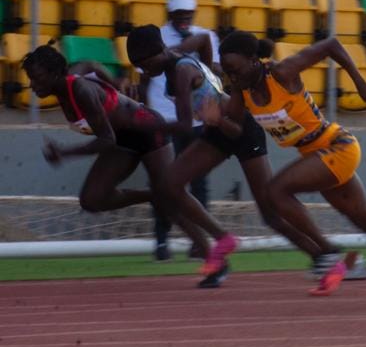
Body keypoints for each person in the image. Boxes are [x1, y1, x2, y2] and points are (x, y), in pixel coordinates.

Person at [126, 25, 351, 295]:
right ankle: (221, 241)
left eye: (142, 65)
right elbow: (202, 40)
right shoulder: (174, 58)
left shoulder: (183, 70)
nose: (142, 72)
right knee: (168, 186)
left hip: (241, 129)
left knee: (271, 214)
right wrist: (210, 69)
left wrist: (142, 125)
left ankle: (325, 257)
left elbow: (185, 124)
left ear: (154, 55)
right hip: (217, 131)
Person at [208, 32, 366, 302]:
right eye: (228, 72)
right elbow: (235, 131)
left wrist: (361, 84)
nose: (232, 77)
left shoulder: (281, 72)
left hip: (337, 146)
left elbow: (332, 45)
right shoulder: (243, 93)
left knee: (275, 191)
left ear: (253, 60)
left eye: (235, 70)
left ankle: (326, 251)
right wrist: (217, 120)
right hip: (316, 155)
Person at [21, 44, 238, 287]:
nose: (33, 86)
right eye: (31, 79)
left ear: (54, 73)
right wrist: (115, 86)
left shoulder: (80, 89)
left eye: (37, 79)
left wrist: (65, 152)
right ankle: (152, 195)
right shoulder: (72, 78)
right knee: (92, 200)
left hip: (147, 130)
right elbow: (92, 65)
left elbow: (106, 139)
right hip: (123, 137)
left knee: (172, 195)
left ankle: (215, 254)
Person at [143, 0, 219, 262]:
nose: (185, 18)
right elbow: (144, 79)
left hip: (197, 119)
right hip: (164, 118)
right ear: (170, 15)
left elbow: (215, 69)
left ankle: (199, 243)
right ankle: (161, 242)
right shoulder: (157, 38)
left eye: (188, 14)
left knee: (199, 183)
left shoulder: (205, 35)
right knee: (164, 183)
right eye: (179, 14)